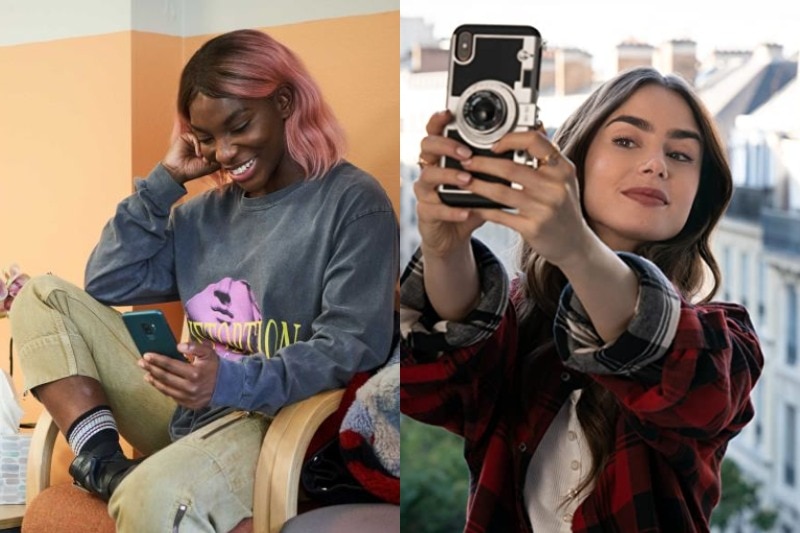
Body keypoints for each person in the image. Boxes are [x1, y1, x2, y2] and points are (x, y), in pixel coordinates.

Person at [11, 29, 398, 532]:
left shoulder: (354, 203)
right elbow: (107, 280)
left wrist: (228, 381)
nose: (225, 153)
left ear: (284, 101)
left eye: (238, 127)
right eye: (207, 137)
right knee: (41, 295)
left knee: (153, 498)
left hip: (269, 420)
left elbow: (351, 350)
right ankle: (104, 464)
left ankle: (139, 481)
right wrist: (166, 178)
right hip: (183, 406)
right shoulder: (201, 215)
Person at [401, 66, 762, 532]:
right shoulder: (518, 320)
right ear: (576, 159)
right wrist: (444, 249)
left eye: (680, 154)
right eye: (627, 141)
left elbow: (690, 381)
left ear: (701, 194)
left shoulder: (725, 341)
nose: (658, 165)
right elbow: (430, 384)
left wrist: (575, 246)